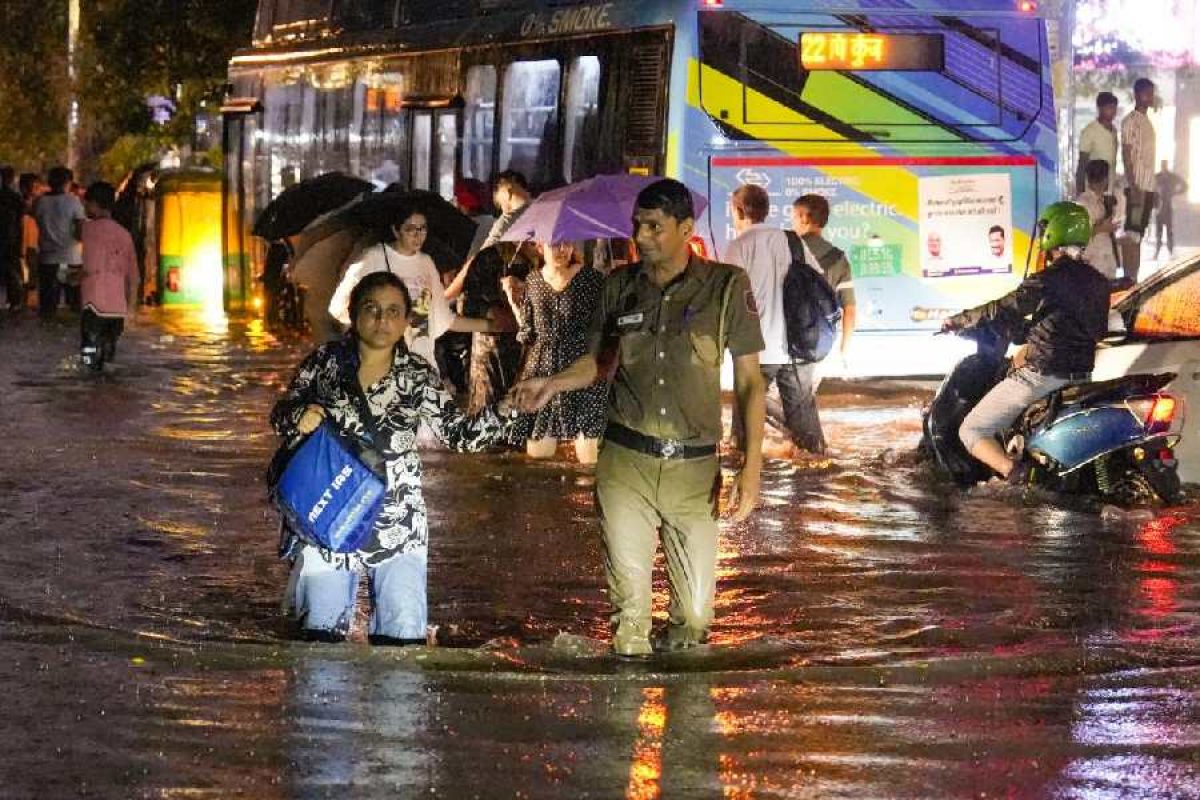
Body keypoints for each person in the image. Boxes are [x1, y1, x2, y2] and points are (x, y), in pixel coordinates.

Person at [513, 178, 767, 657]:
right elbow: (596, 363)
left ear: (686, 228)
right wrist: (550, 384)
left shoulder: (727, 286)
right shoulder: (618, 287)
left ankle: (684, 726)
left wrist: (751, 467)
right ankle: (625, 723)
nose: (641, 236)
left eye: (654, 226)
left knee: (693, 624)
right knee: (629, 621)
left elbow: (752, 382)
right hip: (625, 463)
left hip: (694, 474)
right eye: (637, 225)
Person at [270, 271, 521, 643]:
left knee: (403, 648)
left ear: (406, 320)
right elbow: (280, 415)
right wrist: (298, 417)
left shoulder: (418, 376)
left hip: (399, 526)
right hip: (328, 518)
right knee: (319, 650)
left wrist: (510, 408)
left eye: (393, 311)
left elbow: (462, 437)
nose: (382, 320)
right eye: (371, 309)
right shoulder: (324, 363)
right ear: (354, 314)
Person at [942, 202, 1109, 482]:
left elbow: (1003, 308)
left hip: (1042, 375)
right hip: (1081, 376)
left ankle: (1017, 475)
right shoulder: (1099, 282)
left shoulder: (1048, 279)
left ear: (1051, 233)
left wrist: (960, 320)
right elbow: (1092, 329)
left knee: (971, 430)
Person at [327, 211, 500, 370]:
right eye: (410, 229)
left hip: (422, 364)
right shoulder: (373, 257)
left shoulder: (426, 263)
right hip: (384, 367)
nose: (418, 235)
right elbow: (338, 308)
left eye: (422, 228)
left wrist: (494, 325)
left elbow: (443, 319)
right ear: (396, 230)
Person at [723, 184, 824, 455]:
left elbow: (730, 297)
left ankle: (747, 472)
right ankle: (815, 478)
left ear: (739, 210)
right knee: (805, 427)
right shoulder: (792, 240)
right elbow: (818, 280)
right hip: (797, 346)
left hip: (755, 347)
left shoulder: (738, 246)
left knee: (745, 422)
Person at [504, 240, 607, 464]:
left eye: (567, 243)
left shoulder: (592, 279)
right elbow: (528, 333)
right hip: (541, 367)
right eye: (555, 244)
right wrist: (513, 302)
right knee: (538, 457)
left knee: (589, 459)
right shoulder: (532, 280)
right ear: (540, 246)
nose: (562, 249)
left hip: (579, 369)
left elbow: (601, 327)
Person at [78, 182, 139, 372]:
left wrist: (71, 277)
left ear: (95, 204)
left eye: (87, 204)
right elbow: (133, 275)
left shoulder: (88, 230)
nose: (85, 208)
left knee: (88, 358)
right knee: (108, 358)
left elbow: (89, 268)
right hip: (117, 309)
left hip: (93, 305)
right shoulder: (125, 234)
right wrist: (131, 307)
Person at [792, 194, 857, 367]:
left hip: (788, 341)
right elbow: (849, 310)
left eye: (794, 217)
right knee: (807, 392)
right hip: (821, 343)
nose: (793, 223)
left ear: (804, 218)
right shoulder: (838, 259)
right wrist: (843, 349)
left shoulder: (786, 250)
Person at [34, 166, 86, 319]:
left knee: (47, 309)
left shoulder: (40, 202)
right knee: (75, 307)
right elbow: (81, 232)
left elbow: (36, 220)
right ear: (68, 182)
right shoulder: (73, 201)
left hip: (47, 260)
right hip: (71, 259)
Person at [1121, 78, 1157, 283]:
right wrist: (1133, 186)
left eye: (1151, 93)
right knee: (1132, 236)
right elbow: (1126, 155)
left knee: (1138, 236)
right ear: (1137, 94)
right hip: (1137, 188)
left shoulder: (1148, 122)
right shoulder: (1130, 121)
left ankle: (1134, 280)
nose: (1150, 97)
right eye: (1147, 93)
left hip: (1147, 187)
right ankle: (1128, 280)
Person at [1075, 159, 1124, 280]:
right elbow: (1078, 234)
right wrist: (1102, 228)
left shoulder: (1104, 201)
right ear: (1105, 179)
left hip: (1105, 262)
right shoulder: (1083, 203)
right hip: (1093, 265)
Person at [1075, 92, 1120, 194]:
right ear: (1100, 108)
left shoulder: (1114, 131)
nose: (1113, 111)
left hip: (1109, 190)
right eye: (1109, 107)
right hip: (1093, 191)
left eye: (1114, 108)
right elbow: (1082, 164)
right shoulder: (1089, 131)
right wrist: (1081, 193)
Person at [1153, 160, 1188, 260]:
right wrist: (1155, 203)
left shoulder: (1172, 177)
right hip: (1159, 206)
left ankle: (1171, 251)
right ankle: (1157, 251)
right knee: (1158, 231)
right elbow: (1152, 190)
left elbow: (1185, 186)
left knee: (1169, 231)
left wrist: (1175, 192)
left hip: (1168, 206)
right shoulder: (1157, 177)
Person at [0, 167, 23, 310]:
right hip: (10, 237)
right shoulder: (14, 197)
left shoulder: (13, 197)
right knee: (12, 269)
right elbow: (20, 219)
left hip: (8, 236)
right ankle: (15, 301)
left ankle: (14, 300)